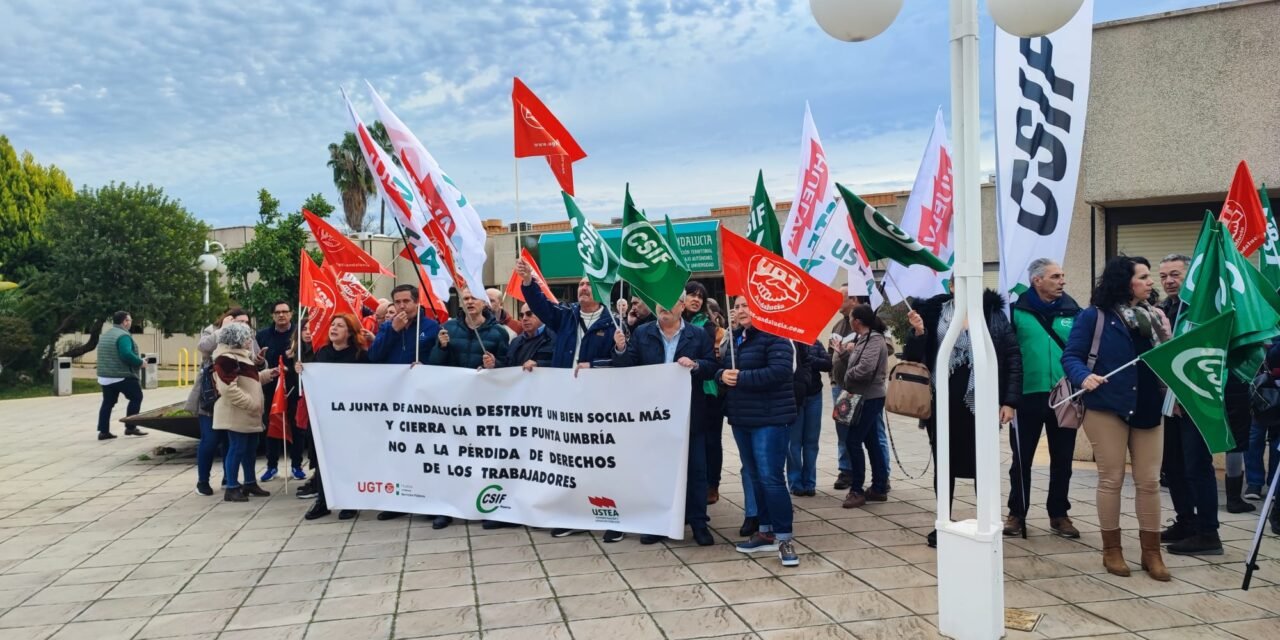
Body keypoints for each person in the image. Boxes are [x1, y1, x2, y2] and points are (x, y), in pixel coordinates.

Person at [1062, 256, 1170, 581]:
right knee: (1111, 479)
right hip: (1107, 406)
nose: (1151, 282)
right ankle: (1112, 550)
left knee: (1149, 482)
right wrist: (1083, 377)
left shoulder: (1154, 316)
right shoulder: (1094, 316)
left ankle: (1152, 553)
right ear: (1126, 282)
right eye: (1144, 277)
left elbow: (1166, 358)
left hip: (1149, 405)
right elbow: (1071, 356)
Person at [905, 289, 1021, 548]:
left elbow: (1012, 355)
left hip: (982, 401)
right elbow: (913, 357)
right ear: (952, 285)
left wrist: (1009, 401)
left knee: (983, 463)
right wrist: (919, 332)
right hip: (942, 401)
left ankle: (985, 521)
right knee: (944, 462)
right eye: (961, 282)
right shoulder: (933, 314)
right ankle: (943, 522)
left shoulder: (991, 314)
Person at [515, 259, 618, 538]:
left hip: (598, 404)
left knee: (600, 461)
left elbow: (624, 363)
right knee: (571, 460)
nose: (583, 287)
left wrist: (595, 366)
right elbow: (542, 307)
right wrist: (528, 282)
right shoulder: (567, 316)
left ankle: (611, 518)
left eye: (589, 284)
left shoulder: (613, 323)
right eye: (581, 283)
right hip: (567, 400)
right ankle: (574, 515)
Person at [612, 293, 718, 546]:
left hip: (689, 414)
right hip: (654, 417)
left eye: (669, 301)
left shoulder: (698, 334)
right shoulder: (642, 333)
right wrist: (620, 348)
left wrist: (695, 365)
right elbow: (628, 366)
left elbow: (711, 366)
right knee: (657, 471)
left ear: (681, 306)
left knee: (695, 470)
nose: (663, 306)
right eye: (659, 302)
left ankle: (698, 523)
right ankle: (659, 523)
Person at [1154, 254, 1233, 556]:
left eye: (1175, 274)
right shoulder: (1165, 308)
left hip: (1195, 399)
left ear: (1190, 276)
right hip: (1169, 401)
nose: (1168, 281)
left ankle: (1208, 532)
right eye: (1163, 276)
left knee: (1197, 467)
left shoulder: (1203, 309)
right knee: (1172, 466)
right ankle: (1186, 520)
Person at [720, 296, 800, 567]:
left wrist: (740, 378)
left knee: (771, 478)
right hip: (743, 418)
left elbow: (779, 372)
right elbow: (725, 368)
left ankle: (785, 538)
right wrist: (722, 374)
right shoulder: (737, 338)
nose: (741, 310)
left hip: (771, 419)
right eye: (738, 306)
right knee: (755, 476)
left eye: (747, 305)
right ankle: (765, 532)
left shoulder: (777, 334)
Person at [1005, 258, 1081, 538]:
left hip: (1064, 396)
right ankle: (1017, 512)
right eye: (1055, 276)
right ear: (1037, 280)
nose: (1062, 281)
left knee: (1063, 458)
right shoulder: (1015, 312)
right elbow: (1007, 356)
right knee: (1021, 459)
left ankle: (1059, 514)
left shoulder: (1074, 311)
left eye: (1062, 275)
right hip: (1027, 395)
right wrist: (1006, 398)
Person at [368, 284, 440, 522]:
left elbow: (440, 361)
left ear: (417, 302)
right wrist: (392, 332)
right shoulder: (389, 327)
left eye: (406, 301)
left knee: (423, 451)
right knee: (397, 451)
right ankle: (398, 500)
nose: (401, 306)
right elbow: (374, 356)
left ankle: (429, 499)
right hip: (394, 400)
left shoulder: (430, 327)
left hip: (422, 401)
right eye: (397, 302)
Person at [296, 313, 367, 520]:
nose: (334, 328)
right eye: (332, 325)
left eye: (340, 326)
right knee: (321, 460)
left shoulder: (359, 356)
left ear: (350, 332)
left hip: (349, 419)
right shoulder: (323, 353)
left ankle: (349, 501)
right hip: (323, 417)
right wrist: (302, 370)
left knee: (347, 459)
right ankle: (323, 501)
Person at [186, 308, 255, 496]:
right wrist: (223, 329)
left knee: (229, 439)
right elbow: (204, 347)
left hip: (235, 394)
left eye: (246, 322)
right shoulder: (213, 330)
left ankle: (229, 478)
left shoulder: (247, 336)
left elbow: (253, 359)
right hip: (211, 394)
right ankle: (203, 481)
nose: (243, 325)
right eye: (238, 321)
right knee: (210, 439)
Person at [837, 304, 891, 509]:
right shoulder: (864, 339)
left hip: (869, 397)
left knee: (853, 441)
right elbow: (856, 362)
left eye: (851, 317)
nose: (849, 320)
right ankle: (878, 487)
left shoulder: (874, 340)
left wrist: (848, 375)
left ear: (857, 321)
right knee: (871, 442)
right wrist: (844, 355)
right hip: (865, 396)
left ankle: (857, 489)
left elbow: (865, 369)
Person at [212, 322, 270, 502]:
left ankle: (250, 482)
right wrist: (252, 404)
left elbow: (250, 380)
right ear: (236, 340)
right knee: (237, 448)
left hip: (247, 413)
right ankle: (232, 487)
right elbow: (229, 388)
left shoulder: (240, 356)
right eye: (246, 337)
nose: (249, 341)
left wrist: (268, 374)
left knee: (250, 448)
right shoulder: (226, 359)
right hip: (236, 412)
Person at [683, 282, 726, 505]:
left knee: (710, 441)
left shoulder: (708, 327)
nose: (696, 299)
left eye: (700, 296)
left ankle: (712, 484)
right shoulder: (675, 323)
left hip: (708, 391)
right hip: (681, 393)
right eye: (692, 294)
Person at [257, 301, 304, 482]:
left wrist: (291, 368)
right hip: (270, 388)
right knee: (272, 427)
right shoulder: (263, 336)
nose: (281, 315)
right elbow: (257, 361)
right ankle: (271, 466)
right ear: (272, 315)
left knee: (297, 427)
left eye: (285, 311)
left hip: (294, 386)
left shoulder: (298, 334)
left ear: (291, 314)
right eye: (278, 312)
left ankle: (297, 465)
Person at [95, 311, 148, 440]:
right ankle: (130, 427)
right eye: (129, 320)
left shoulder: (106, 335)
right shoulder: (123, 336)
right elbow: (126, 354)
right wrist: (140, 362)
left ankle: (103, 431)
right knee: (136, 397)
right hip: (121, 375)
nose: (130, 323)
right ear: (125, 321)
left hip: (105, 376)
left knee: (108, 403)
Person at [787, 340, 829, 497]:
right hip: (795, 397)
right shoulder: (786, 342)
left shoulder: (815, 342)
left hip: (814, 395)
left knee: (811, 441)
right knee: (794, 443)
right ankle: (795, 482)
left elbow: (828, 363)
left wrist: (809, 359)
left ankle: (810, 482)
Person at [508, 303, 555, 371]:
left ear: (541, 314)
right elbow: (507, 366)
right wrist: (495, 364)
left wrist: (539, 365)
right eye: (521, 315)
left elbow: (563, 363)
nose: (524, 318)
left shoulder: (555, 338)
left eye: (529, 314)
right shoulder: (515, 342)